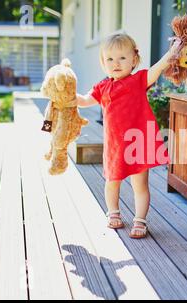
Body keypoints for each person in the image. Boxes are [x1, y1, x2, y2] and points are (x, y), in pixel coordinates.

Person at [77, 33, 179, 239]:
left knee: (139, 185)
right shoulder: (102, 87)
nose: (116, 63)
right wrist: (68, 95)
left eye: (122, 58)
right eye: (110, 59)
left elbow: (156, 69)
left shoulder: (138, 80)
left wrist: (171, 54)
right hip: (115, 147)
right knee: (111, 182)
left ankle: (140, 220)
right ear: (103, 63)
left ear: (134, 60)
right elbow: (85, 100)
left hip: (137, 144)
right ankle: (113, 212)